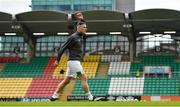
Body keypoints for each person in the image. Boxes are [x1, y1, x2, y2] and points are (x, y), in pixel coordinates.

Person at [50, 22, 93, 101]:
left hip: (74, 63)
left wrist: (81, 18)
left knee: (66, 81)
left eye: (86, 27)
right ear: (79, 27)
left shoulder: (80, 36)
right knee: (83, 77)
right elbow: (62, 48)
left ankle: (54, 96)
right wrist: (57, 60)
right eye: (84, 27)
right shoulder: (72, 37)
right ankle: (90, 97)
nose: (86, 28)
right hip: (74, 63)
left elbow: (81, 22)